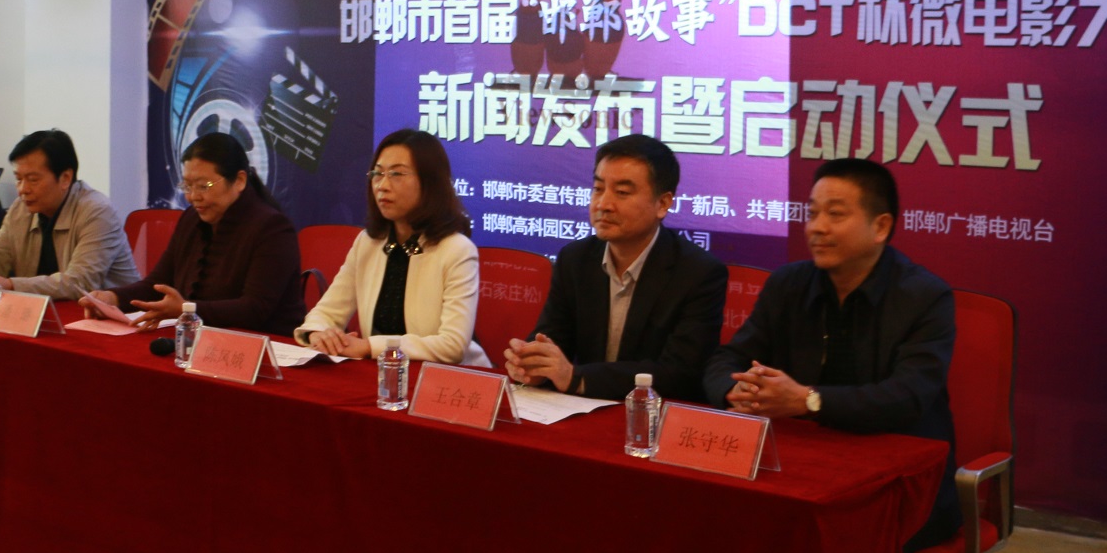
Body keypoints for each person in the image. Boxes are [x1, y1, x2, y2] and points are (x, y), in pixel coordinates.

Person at [704, 157, 960, 553]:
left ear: (881, 226)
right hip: (801, 467)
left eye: (835, 214)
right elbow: (728, 358)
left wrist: (808, 401)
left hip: (896, 481)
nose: (817, 227)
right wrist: (732, 392)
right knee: (716, 521)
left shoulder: (924, 297)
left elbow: (907, 397)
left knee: (801, 544)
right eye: (812, 213)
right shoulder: (789, 284)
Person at [504, 134, 727, 401]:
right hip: (584, 409)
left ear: (663, 203)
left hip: (656, 415)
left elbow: (679, 374)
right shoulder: (575, 259)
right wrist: (534, 364)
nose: (603, 204)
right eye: (598, 189)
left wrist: (577, 378)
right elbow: (552, 338)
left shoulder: (698, 273)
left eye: (622, 193)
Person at [294, 129, 488, 366]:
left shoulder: (457, 250)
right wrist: (318, 333)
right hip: (385, 374)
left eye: (397, 174)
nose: (382, 186)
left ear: (429, 183)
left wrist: (369, 347)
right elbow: (327, 312)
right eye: (377, 174)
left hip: (446, 379)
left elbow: (452, 346)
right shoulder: (368, 242)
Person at [84, 132, 303, 337]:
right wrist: (112, 298)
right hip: (202, 340)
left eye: (203, 186)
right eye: (187, 186)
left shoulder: (273, 228)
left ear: (239, 181)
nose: (192, 197)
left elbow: (254, 309)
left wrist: (186, 309)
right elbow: (157, 284)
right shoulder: (191, 219)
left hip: (267, 346)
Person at [0, 128, 137, 300]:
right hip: (47, 314)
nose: (22, 189)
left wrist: (12, 285)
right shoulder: (20, 209)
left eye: (32, 180)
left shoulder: (97, 211)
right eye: (18, 179)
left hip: (114, 318)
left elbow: (80, 283)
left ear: (65, 178)